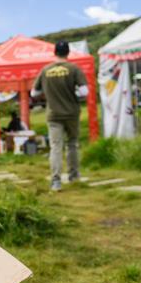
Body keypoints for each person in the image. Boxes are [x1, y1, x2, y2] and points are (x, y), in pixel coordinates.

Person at [31, 41, 88, 191]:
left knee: (56, 147)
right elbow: (84, 92)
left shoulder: (45, 70)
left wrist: (48, 94)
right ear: (68, 53)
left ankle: (56, 181)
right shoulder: (74, 69)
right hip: (71, 113)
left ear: (55, 52)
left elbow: (34, 93)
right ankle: (74, 176)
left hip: (53, 114)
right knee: (72, 144)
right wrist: (72, 94)